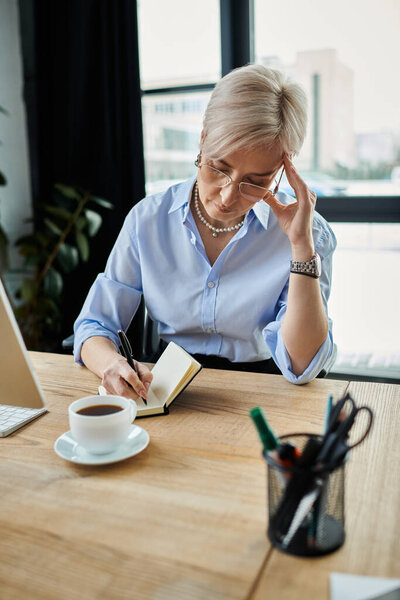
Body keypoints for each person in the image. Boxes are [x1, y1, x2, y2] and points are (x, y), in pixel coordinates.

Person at [73, 64, 336, 401]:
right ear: (202, 138)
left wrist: (300, 247)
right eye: (219, 167)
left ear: (285, 170)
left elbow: (302, 366)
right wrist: (112, 363)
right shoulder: (148, 220)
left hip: (265, 394)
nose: (228, 195)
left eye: (255, 182)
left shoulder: (309, 234)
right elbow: (94, 324)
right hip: (165, 388)